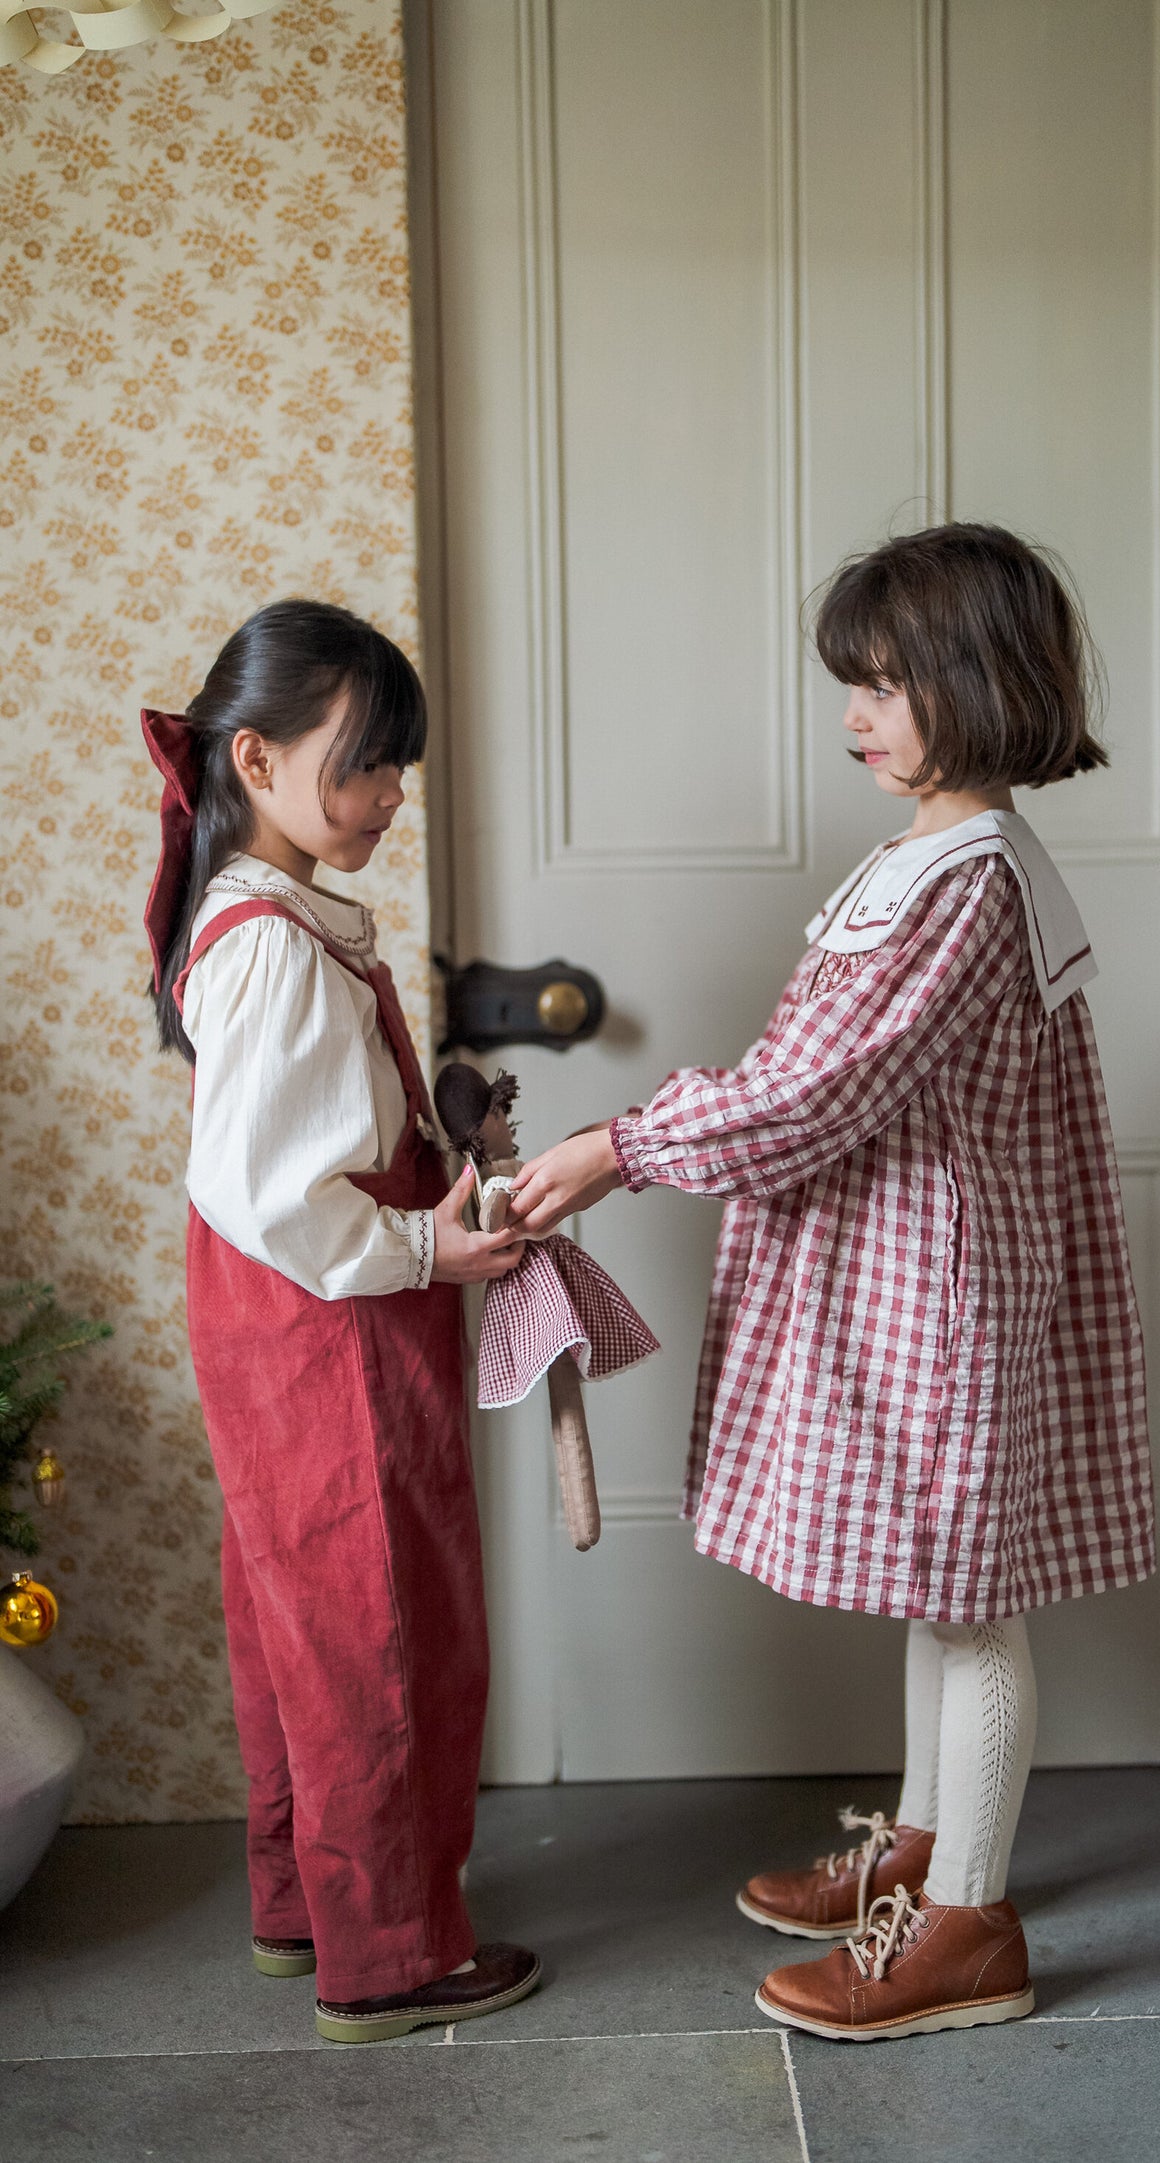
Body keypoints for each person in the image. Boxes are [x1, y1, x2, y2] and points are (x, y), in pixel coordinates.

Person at [506, 523, 1154, 2043]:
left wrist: (624, 1144)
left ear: (979, 684)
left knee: (967, 1603)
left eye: (884, 684)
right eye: (849, 684)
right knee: (940, 1586)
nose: (855, 715)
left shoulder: (963, 879)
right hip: (914, 1279)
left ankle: (968, 1924)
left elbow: (820, 1090)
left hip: (940, 1295)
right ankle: (926, 1854)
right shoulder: (924, 857)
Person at [144, 599, 540, 2045]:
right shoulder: (274, 945)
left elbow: (286, 1149)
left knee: (297, 1615)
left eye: (395, 771)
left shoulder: (271, 918)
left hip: (283, 1323)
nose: (385, 798)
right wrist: (426, 1242)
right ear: (254, 761)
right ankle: (387, 1957)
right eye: (364, 766)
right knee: (382, 1626)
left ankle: (300, 1902)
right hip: (332, 1328)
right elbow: (273, 1191)